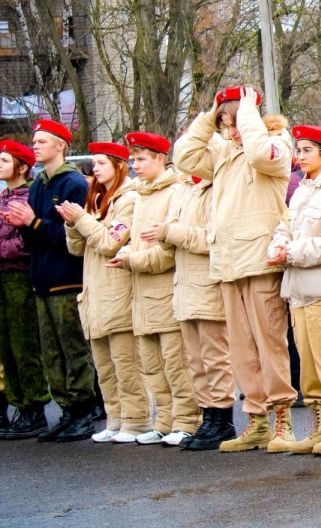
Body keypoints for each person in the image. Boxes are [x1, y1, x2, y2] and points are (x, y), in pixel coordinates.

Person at [175, 86, 296, 452]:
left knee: (270, 344)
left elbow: (260, 154)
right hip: (229, 262)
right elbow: (184, 156)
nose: (231, 129)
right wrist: (208, 117)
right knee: (242, 349)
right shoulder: (223, 152)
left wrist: (246, 110)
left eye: (234, 120)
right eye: (226, 122)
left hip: (260, 260)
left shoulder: (276, 145)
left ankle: (282, 422)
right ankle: (256, 419)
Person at [4, 120, 95, 443]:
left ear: (60, 145)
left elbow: (70, 237)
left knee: (72, 348)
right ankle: (67, 409)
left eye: (42, 141)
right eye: (35, 140)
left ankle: (84, 408)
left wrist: (34, 222)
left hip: (65, 278)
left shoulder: (71, 183)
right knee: (52, 352)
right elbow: (36, 237)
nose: (35, 145)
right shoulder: (39, 184)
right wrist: (25, 225)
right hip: (41, 278)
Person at [266, 124, 321, 456]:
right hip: (298, 290)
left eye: (307, 151)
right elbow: (284, 227)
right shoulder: (301, 191)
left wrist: (290, 252)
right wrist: (279, 245)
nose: (300, 157)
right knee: (309, 364)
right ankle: (318, 426)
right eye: (298, 150)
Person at [110, 132, 199, 447]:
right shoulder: (143, 194)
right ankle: (164, 421)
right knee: (151, 366)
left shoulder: (174, 192)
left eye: (141, 158)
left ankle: (187, 421)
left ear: (161, 159)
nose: (135, 165)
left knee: (176, 364)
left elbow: (167, 251)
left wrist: (131, 260)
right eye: (133, 159)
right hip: (141, 296)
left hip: (164, 294)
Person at [62, 141, 144, 444]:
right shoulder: (95, 200)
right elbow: (75, 248)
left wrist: (81, 220)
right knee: (104, 368)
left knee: (126, 364)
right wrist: (73, 223)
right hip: (94, 294)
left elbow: (111, 243)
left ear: (118, 166)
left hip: (117, 293)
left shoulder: (129, 199)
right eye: (93, 164)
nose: (94, 169)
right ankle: (115, 418)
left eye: (100, 163)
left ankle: (135, 420)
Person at [155, 172, 236, 451]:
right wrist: (164, 234)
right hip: (185, 286)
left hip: (207, 284)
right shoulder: (184, 190)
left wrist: (169, 232)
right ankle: (208, 415)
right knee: (195, 360)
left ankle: (222, 419)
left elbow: (211, 239)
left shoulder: (217, 187)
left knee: (215, 358)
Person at [0, 140, 50, 439]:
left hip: (19, 275)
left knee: (24, 343)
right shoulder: (3, 196)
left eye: (5, 160)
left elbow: (25, 241)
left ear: (22, 166)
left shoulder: (28, 194)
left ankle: (35, 407)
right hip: (2, 275)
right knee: (5, 344)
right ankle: (18, 403)